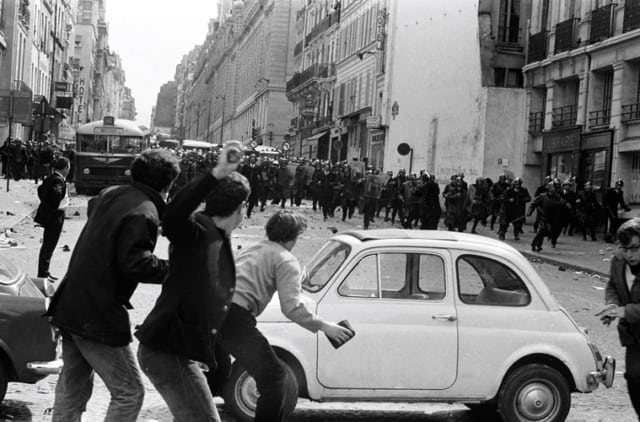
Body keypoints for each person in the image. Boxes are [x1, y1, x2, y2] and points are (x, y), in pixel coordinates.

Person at [46, 149, 180, 422]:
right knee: (130, 392)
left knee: (73, 389)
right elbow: (136, 264)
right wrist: (178, 270)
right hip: (96, 313)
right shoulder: (145, 212)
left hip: (70, 303)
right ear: (168, 184)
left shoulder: (111, 194)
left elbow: (96, 206)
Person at [135, 141, 248, 422]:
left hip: (180, 352)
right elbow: (172, 215)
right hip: (166, 351)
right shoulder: (197, 232)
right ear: (242, 207)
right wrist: (216, 174)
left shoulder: (218, 237)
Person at [213, 210, 353, 422]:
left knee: (217, 375)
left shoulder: (255, 248)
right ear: (294, 236)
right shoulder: (286, 260)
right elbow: (292, 308)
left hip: (214, 311)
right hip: (236, 317)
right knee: (274, 378)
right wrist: (325, 326)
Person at [596, 218, 640, 418]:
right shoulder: (618, 260)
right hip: (633, 335)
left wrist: (624, 311)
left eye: (634, 248)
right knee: (634, 378)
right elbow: (613, 284)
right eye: (624, 248)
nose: (629, 254)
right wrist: (612, 304)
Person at [34, 157, 70, 279]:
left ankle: (45, 270)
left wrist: (45, 202)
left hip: (52, 214)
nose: (69, 170)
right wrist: (53, 207)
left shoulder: (52, 177)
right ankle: (42, 273)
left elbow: (40, 190)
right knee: (49, 245)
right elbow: (56, 195)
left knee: (49, 244)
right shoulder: (58, 180)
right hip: (55, 215)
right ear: (65, 168)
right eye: (68, 168)